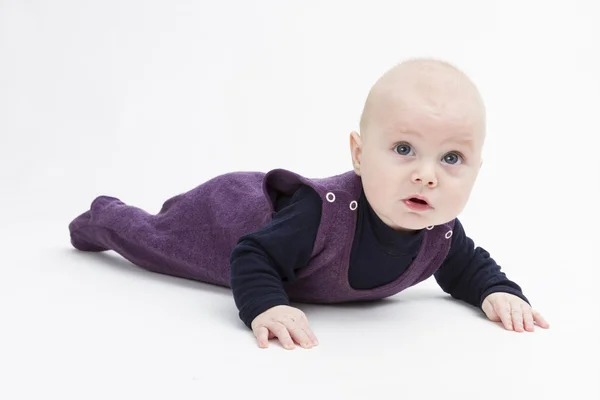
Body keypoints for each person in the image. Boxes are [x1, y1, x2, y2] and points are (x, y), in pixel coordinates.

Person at [68, 58, 550, 350]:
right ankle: (104, 216)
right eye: (403, 149)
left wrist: (497, 291)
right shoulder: (322, 214)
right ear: (359, 155)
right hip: (225, 218)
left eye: (451, 157)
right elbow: (253, 254)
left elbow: (467, 267)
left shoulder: (440, 230)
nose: (426, 173)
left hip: (261, 226)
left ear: (477, 171)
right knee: (157, 238)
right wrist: (265, 306)